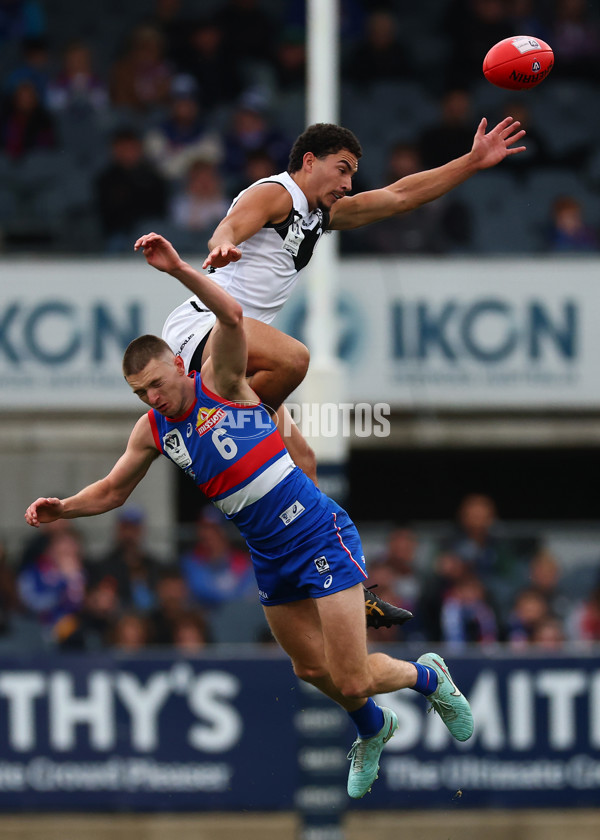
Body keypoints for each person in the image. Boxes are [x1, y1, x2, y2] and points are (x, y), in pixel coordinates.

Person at [25, 233, 474, 799]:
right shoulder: (153, 430)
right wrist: (64, 507)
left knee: (353, 674)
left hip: (315, 532)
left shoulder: (222, 381)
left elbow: (233, 316)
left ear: (179, 367)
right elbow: (114, 490)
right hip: (268, 552)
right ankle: (373, 726)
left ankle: (429, 676)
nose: (153, 399)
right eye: (141, 393)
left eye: (157, 385)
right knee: (310, 670)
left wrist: (178, 268)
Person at [161, 117, 524, 627]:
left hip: (236, 349)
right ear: (309, 161)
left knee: (304, 460)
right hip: (203, 331)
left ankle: (328, 577)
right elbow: (234, 223)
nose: (349, 183)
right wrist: (221, 245)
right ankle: (222, 424)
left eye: (352, 173)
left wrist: (472, 162)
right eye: (343, 169)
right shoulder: (276, 193)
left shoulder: (319, 215)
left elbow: (399, 196)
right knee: (294, 360)